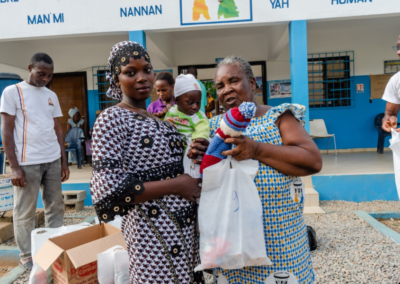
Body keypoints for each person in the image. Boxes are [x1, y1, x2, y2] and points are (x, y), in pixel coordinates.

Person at [189, 56, 322, 284]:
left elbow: (312, 161)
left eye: (233, 81)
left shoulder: (278, 117)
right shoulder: (211, 127)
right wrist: (195, 153)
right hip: (231, 250)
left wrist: (256, 149)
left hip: (281, 246)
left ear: (252, 84)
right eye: (220, 86)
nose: (226, 89)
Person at [90, 41, 204, 284]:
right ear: (115, 79)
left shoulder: (162, 120)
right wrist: (176, 185)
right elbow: (107, 192)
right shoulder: (112, 119)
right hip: (150, 234)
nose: (142, 78)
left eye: (147, 70)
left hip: (186, 231)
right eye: (130, 72)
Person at [0, 53, 69, 270]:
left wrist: (64, 161)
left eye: (49, 75)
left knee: (55, 206)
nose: (45, 78)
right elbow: (7, 130)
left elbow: (57, 128)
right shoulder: (13, 92)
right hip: (27, 162)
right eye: (41, 73)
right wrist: (14, 167)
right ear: (30, 67)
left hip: (52, 159)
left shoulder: (51, 95)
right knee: (25, 211)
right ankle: (27, 255)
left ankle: (53, 248)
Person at [164, 74, 209, 178]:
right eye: (190, 102)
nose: (195, 106)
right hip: (174, 151)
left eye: (198, 102)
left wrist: (196, 145)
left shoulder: (198, 117)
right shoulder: (172, 111)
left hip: (190, 151)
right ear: (178, 101)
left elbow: (202, 132)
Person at [382, 35, 400, 132]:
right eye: (398, 47)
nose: (398, 52)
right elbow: (390, 112)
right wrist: (389, 118)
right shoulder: (397, 79)